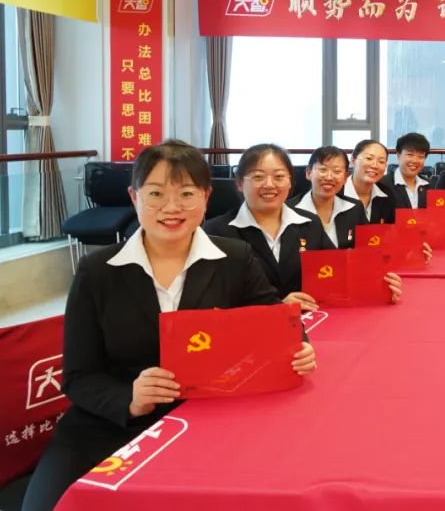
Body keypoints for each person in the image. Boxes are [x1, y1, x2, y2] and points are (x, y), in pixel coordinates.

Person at [21, 140, 318, 511]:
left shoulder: (234, 258)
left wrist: (298, 347)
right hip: (111, 426)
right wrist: (129, 398)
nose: (172, 207)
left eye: (187, 194)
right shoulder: (97, 271)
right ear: (134, 197)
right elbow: (78, 377)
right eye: (156, 193)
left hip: (211, 418)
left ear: (206, 197)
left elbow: (273, 318)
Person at [205, 144, 338, 312]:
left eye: (279, 176)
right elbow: (214, 302)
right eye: (258, 177)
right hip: (251, 326)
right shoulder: (215, 233)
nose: (269, 184)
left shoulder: (309, 223)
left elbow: (336, 271)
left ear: (290, 182)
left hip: (311, 320)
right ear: (239, 183)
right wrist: (277, 308)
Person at [288, 145, 366, 249]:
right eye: (323, 169)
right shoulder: (288, 211)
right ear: (308, 173)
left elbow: (365, 248)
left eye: (337, 171)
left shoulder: (354, 208)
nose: (329, 177)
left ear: (345, 177)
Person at [388, 132, 431, 209]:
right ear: (398, 156)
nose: (415, 160)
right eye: (410, 155)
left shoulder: (429, 186)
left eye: (420, 156)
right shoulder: (383, 185)